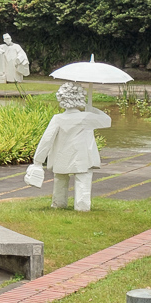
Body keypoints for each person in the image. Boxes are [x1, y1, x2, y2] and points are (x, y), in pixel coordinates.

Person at [32, 82, 111, 211]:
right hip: (82, 158)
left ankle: (58, 204)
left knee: (60, 181)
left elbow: (46, 140)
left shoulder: (57, 118)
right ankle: (82, 206)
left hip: (62, 156)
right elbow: (107, 121)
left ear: (61, 98)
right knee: (83, 181)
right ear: (80, 97)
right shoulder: (87, 117)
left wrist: (38, 161)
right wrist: (90, 108)